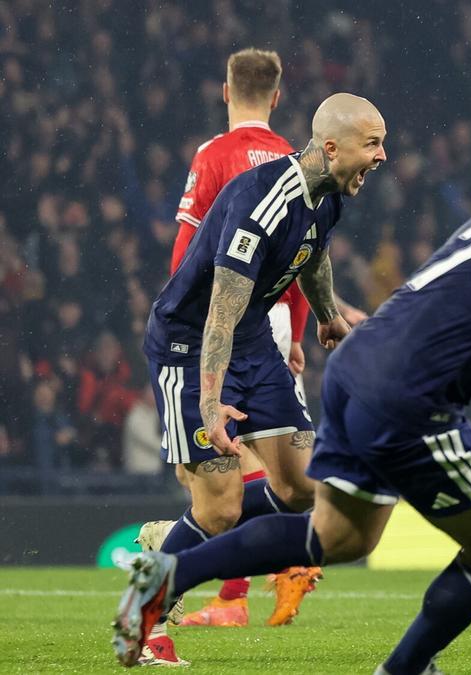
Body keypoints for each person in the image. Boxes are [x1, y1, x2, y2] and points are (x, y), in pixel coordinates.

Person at [112, 133, 471, 674]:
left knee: (336, 537)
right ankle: (406, 666)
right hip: (413, 401)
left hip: (357, 367)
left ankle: (163, 578)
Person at [125, 92, 387, 667]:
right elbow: (219, 309)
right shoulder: (260, 201)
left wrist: (327, 317)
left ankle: (170, 538)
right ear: (331, 146)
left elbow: (313, 256)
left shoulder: (329, 197)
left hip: (250, 342)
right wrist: (213, 403)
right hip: (189, 347)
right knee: (217, 509)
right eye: (373, 143)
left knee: (301, 487)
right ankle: (143, 621)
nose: (382, 156)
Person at [135, 48, 324, 648]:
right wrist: (294, 335)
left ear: (225, 92)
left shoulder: (213, 156)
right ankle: (210, 584)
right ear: (276, 97)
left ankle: (181, 559)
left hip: (217, 327)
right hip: (260, 323)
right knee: (264, 482)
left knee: (221, 487)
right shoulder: (300, 161)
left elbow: (189, 255)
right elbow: (297, 261)